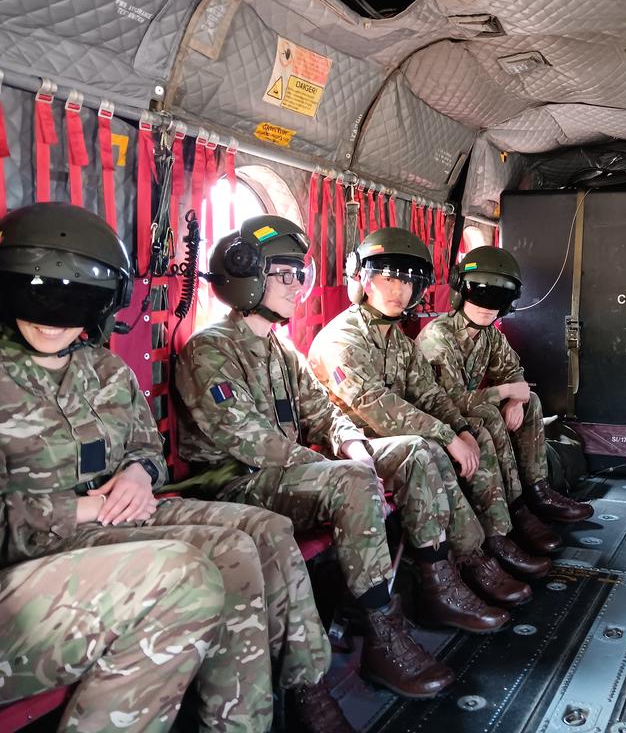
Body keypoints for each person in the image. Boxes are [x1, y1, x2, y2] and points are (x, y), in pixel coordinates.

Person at [0, 202, 349, 733]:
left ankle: (249, 718)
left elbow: (145, 449)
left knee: (251, 537)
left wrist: (140, 474)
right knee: (186, 574)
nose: (53, 318)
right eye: (37, 295)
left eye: (77, 300)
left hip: (120, 518)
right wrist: (87, 506)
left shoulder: (107, 369)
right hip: (45, 544)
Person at [175, 216, 508, 699]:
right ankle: (379, 631)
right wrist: (344, 468)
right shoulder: (211, 350)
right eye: (282, 275)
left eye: (298, 274)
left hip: (292, 471)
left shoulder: (281, 349)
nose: (296, 287)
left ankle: (441, 579)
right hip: (241, 481)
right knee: (352, 481)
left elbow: (324, 414)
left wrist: (353, 446)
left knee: (413, 451)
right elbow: (250, 441)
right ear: (247, 278)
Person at [308, 228, 554, 590]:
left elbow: (430, 394)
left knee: (470, 435)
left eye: (408, 283)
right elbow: (377, 406)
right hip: (353, 445)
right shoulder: (342, 338)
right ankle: (461, 566)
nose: (399, 291)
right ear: (363, 279)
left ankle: (497, 537)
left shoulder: (398, 340)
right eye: (389, 279)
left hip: (392, 437)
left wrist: (460, 429)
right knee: (429, 451)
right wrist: (447, 436)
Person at [415, 245, 593, 529]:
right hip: (441, 418)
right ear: (461, 292)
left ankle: (538, 490)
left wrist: (516, 399)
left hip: (466, 409)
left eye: (499, 297)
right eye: (479, 294)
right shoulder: (439, 337)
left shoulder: (488, 335)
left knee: (531, 400)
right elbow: (450, 401)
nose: (487, 306)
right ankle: (515, 509)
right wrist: (507, 392)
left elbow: (514, 372)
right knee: (488, 413)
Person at [0, 541, 226, 733]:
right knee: (188, 575)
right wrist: (81, 508)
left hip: (62, 524)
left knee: (232, 548)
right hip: (50, 529)